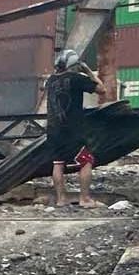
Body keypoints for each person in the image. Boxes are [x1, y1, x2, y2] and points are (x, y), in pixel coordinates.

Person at [44, 50, 101, 207]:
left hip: (53, 129)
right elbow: (101, 89)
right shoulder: (77, 79)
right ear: (74, 65)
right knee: (86, 160)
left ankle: (61, 199)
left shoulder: (50, 80)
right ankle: (85, 199)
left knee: (58, 163)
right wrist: (88, 71)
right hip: (72, 130)